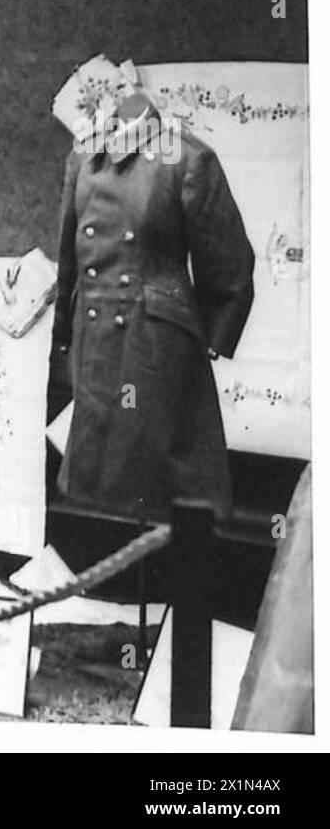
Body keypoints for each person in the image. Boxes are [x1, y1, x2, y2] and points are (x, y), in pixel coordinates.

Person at [50, 90, 255, 522]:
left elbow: (229, 257)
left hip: (155, 341)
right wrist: (64, 336)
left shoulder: (185, 156)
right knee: (98, 476)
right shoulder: (83, 156)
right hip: (95, 334)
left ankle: (151, 574)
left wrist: (214, 335)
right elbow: (70, 258)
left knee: (149, 473)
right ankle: (104, 569)